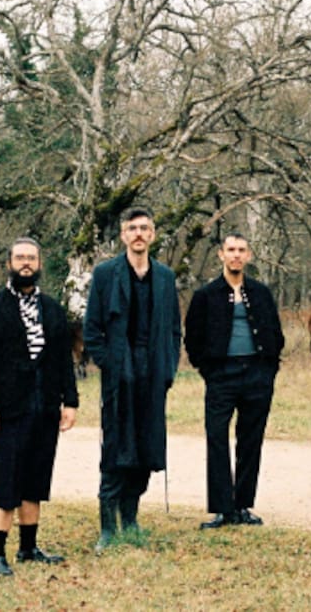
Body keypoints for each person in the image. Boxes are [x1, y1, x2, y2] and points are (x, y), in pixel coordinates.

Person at [0, 237, 79, 577]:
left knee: (35, 478)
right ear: (9, 263)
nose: (26, 263)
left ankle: (29, 548)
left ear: (40, 263)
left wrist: (70, 401)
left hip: (44, 407)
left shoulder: (52, 308)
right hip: (6, 409)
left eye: (31, 258)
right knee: (5, 480)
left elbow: (63, 359)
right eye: (20, 257)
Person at [83, 208, 182, 553]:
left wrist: (168, 369)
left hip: (153, 374)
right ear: (123, 235)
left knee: (146, 447)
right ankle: (108, 527)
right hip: (119, 375)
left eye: (145, 228)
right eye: (132, 228)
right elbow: (92, 330)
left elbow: (174, 329)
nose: (138, 234)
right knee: (115, 450)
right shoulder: (106, 274)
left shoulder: (166, 277)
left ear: (153, 235)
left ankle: (132, 518)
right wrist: (110, 365)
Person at [184, 233, 285, 529]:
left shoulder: (261, 293)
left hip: (257, 374)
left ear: (249, 255)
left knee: (250, 440)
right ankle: (222, 508)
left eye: (241, 250)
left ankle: (242, 505)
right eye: (231, 250)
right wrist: (209, 370)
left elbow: (275, 334)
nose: (236, 255)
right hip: (221, 376)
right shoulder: (206, 295)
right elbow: (193, 338)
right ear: (221, 255)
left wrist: (268, 370)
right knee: (216, 439)